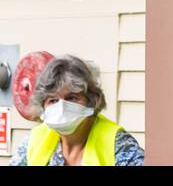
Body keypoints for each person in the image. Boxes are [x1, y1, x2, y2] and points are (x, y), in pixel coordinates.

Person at [10, 55, 143, 166]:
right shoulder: (35, 140)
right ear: (42, 106)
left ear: (91, 100)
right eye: (53, 100)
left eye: (71, 98)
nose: (61, 107)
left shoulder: (118, 144)